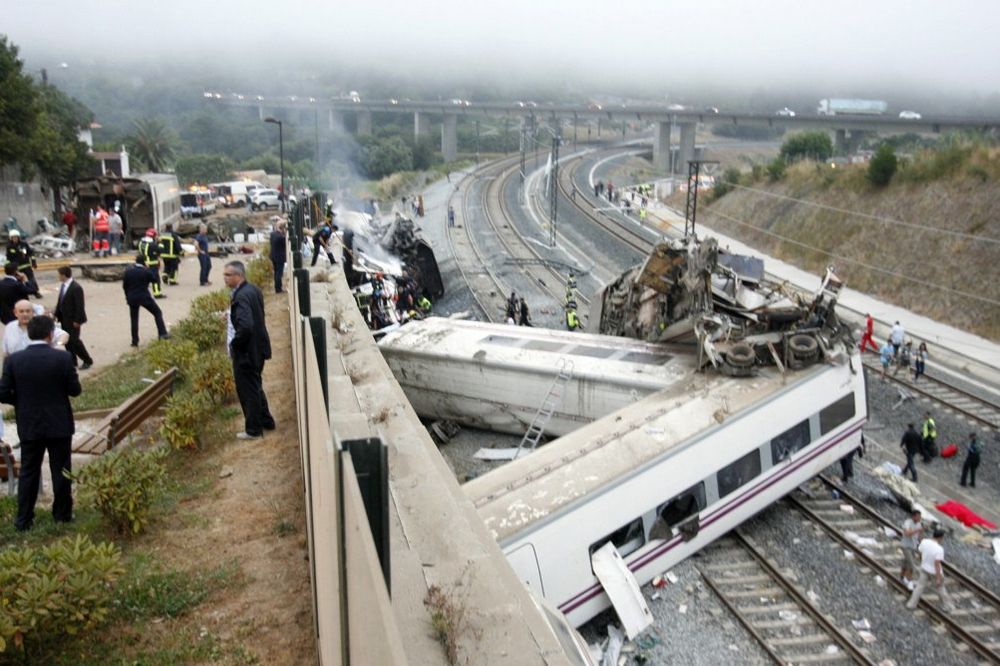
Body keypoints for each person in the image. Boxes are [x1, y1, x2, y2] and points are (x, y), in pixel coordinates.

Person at [0, 315, 81, 531]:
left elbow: (3, 393)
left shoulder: (13, 361)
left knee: (29, 471)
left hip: (29, 423)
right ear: (50, 334)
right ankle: (62, 514)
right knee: (61, 470)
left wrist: (21, 400)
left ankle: (24, 519)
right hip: (59, 423)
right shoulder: (62, 359)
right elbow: (75, 390)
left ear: (29, 334)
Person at [224, 261, 275, 440]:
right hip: (258, 348)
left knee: (248, 390)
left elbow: (245, 326)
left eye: (228, 275)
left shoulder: (240, 297)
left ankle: (253, 429)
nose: (225, 278)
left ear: (239, 275)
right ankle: (266, 420)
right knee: (255, 385)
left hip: (247, 352)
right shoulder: (253, 290)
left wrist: (235, 344)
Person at [123, 255, 170, 346]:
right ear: (144, 262)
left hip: (132, 298)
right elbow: (154, 280)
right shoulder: (145, 271)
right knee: (157, 312)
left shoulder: (128, 272)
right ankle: (162, 334)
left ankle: (135, 341)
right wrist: (151, 269)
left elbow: (125, 286)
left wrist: (127, 297)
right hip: (144, 297)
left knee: (134, 319)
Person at [53, 266, 93, 369]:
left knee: (74, 341)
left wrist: (77, 320)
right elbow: (60, 302)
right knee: (67, 341)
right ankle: (72, 360)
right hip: (64, 319)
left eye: (59, 274)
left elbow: (80, 306)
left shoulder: (76, 287)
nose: (58, 276)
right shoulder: (63, 286)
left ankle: (87, 360)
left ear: (63, 275)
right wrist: (56, 314)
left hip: (73, 320)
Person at [906, 527, 954, 612]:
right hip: (934, 572)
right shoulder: (939, 549)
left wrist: (922, 560)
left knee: (919, 586)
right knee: (940, 588)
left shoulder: (924, 542)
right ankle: (947, 606)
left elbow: (920, 552)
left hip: (924, 568)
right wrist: (939, 577)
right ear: (941, 537)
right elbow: (937, 564)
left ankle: (911, 604)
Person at [4, 300, 69, 356]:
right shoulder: (9, 327)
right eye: (21, 311)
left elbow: (64, 335)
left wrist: (59, 344)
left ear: (33, 312)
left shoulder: (41, 324)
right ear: (15, 313)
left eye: (28, 311)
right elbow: (6, 352)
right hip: (18, 366)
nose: (25, 314)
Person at [6, 230, 37, 294]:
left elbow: (30, 253)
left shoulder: (24, 244)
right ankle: (21, 292)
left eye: (16, 237)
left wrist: (33, 261)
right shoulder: (9, 246)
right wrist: (8, 267)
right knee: (18, 280)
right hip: (16, 267)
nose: (15, 239)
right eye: (13, 237)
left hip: (26, 266)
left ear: (18, 237)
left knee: (31, 279)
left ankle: (35, 292)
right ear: (11, 238)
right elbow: (8, 257)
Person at [899, 509, 923, 587]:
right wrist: (917, 530)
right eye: (918, 516)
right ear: (914, 516)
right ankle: (908, 580)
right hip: (906, 546)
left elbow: (918, 536)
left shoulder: (919, 524)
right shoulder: (908, 523)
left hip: (913, 546)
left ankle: (901, 577)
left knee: (906, 562)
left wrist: (921, 544)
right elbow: (907, 533)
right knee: (911, 564)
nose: (920, 518)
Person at [138, 228, 164, 298]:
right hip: (152, 264)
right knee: (155, 279)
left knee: (143, 280)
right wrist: (160, 242)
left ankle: (141, 294)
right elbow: (161, 250)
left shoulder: (141, 242)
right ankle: (157, 293)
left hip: (144, 264)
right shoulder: (153, 244)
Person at [269, 220, 287, 293]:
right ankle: (278, 289)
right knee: (279, 273)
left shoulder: (273, 234)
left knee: (276, 272)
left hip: (273, 255)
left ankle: (277, 287)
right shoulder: (281, 238)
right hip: (279, 257)